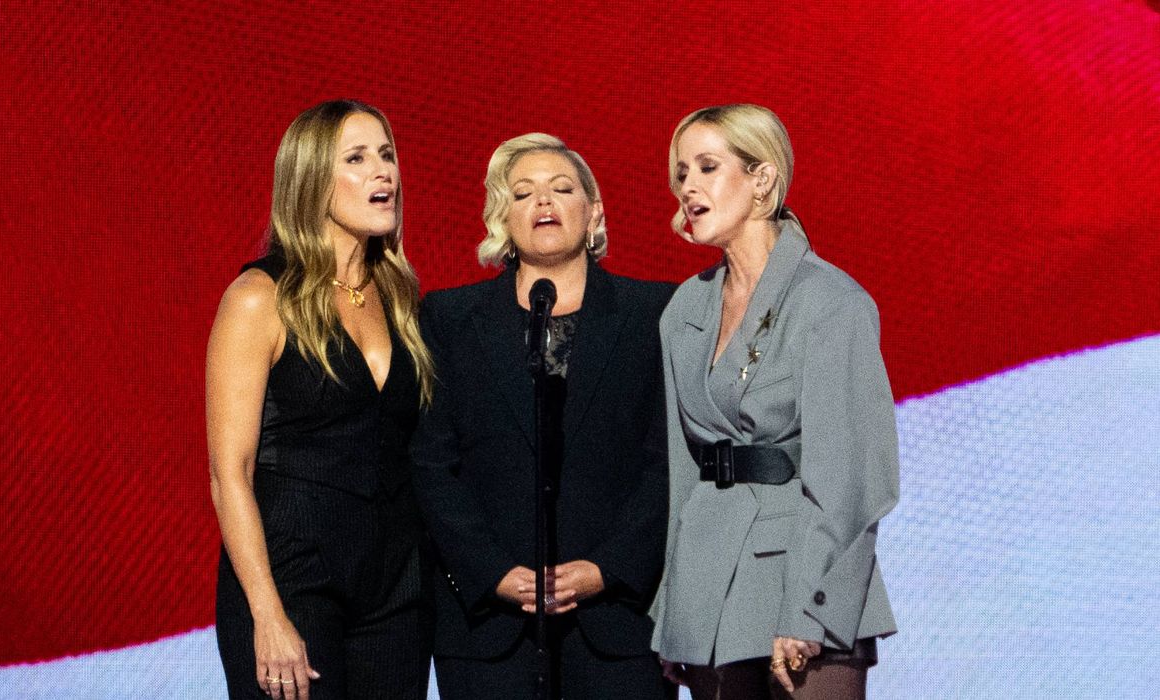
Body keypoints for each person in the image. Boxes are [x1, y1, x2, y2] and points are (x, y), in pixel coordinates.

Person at [410, 133, 674, 699]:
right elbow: (432, 461)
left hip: (619, 623)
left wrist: (608, 567)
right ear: (502, 216)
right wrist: (493, 571)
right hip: (489, 629)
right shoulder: (450, 318)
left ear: (594, 210)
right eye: (523, 193)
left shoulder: (656, 313)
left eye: (561, 188)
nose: (544, 203)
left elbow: (670, 460)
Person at [649, 104, 899, 699]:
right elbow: (682, 473)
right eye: (681, 173)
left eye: (708, 167)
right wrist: (673, 609)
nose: (689, 187)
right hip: (709, 593)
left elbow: (852, 480)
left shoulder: (831, 302)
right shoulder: (684, 309)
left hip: (803, 582)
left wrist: (807, 609)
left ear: (762, 179)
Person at [207, 100, 434, 700]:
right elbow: (231, 472)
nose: (383, 171)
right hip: (292, 581)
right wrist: (266, 614)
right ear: (310, 179)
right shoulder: (258, 298)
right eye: (357, 158)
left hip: (396, 588)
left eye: (386, 154)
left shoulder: (401, 298)